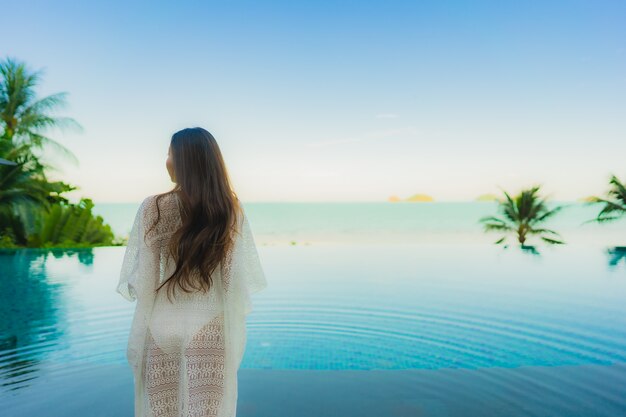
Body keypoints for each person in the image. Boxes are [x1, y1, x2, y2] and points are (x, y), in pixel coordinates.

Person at [116, 127, 268, 417]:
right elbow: (233, 285)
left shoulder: (154, 207)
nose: (167, 160)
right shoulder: (229, 209)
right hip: (210, 329)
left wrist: (138, 340)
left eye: (170, 154)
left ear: (184, 160)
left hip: (161, 328)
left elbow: (144, 285)